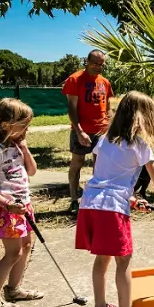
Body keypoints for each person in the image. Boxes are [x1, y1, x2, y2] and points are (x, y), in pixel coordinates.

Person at [75, 91, 154, 307]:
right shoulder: (139, 146)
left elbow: (104, 177)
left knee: (101, 258)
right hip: (112, 209)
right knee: (123, 261)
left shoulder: (104, 140)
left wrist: (132, 198)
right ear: (142, 118)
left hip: (90, 204)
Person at [0, 98, 44, 307]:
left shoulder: (16, 145)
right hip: (7, 209)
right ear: (6, 124)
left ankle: (14, 289)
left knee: (25, 247)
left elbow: (32, 171)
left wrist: (24, 148)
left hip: (22, 205)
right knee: (13, 253)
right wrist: (8, 204)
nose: (27, 129)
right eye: (23, 124)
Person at [62, 49, 114, 216]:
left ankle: (95, 199)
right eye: (95, 63)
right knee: (77, 163)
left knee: (100, 166)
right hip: (82, 130)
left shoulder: (105, 82)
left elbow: (108, 108)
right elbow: (72, 108)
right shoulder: (75, 79)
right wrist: (79, 131)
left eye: (101, 64)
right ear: (87, 61)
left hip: (102, 131)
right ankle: (74, 200)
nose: (98, 67)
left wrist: (111, 128)